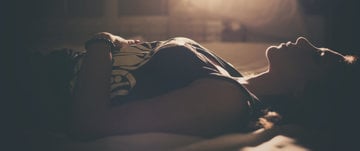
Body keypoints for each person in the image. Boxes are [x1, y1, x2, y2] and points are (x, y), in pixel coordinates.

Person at [17, 32, 359, 148]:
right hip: (42, 67)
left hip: (35, 86)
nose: (302, 39)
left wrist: (101, 43)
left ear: (304, 91)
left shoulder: (227, 100)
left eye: (315, 55)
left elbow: (87, 125)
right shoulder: (232, 75)